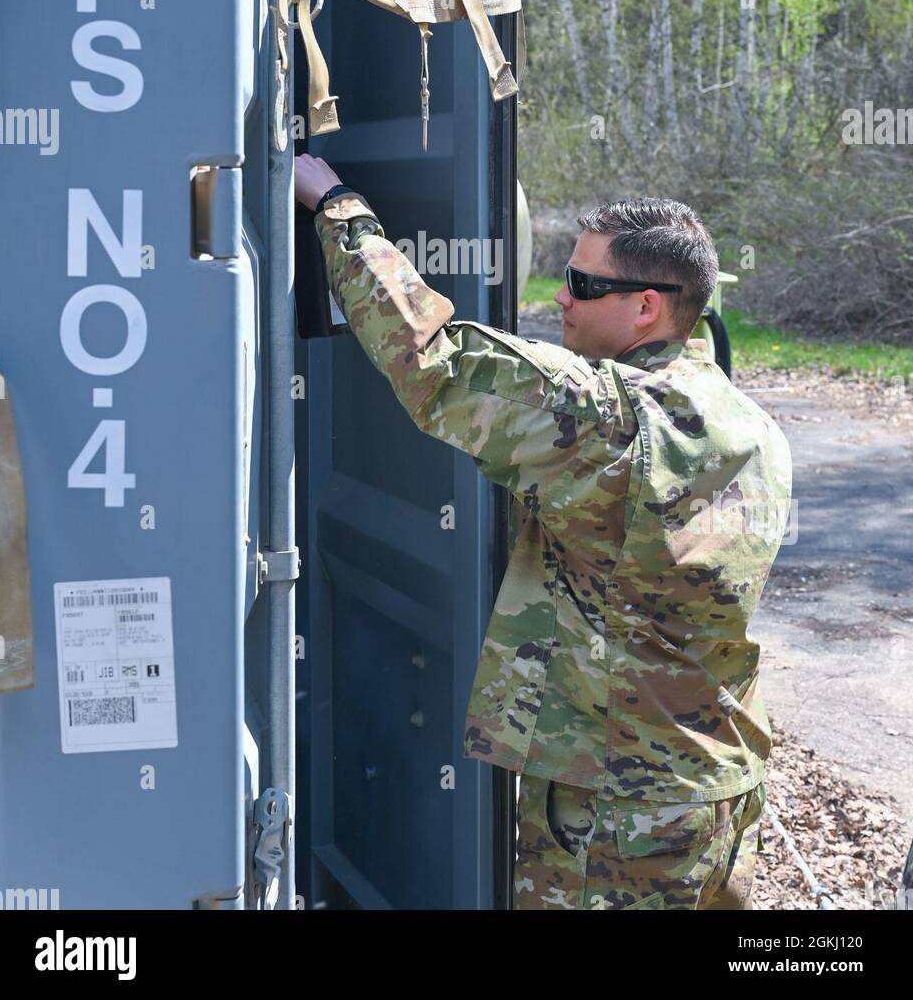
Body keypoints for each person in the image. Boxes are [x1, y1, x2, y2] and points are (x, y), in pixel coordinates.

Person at [294, 154, 792, 911]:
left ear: (647, 308)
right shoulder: (753, 426)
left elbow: (437, 362)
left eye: (585, 284)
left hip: (620, 816)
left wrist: (337, 208)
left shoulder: (610, 420)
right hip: (722, 793)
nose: (561, 296)